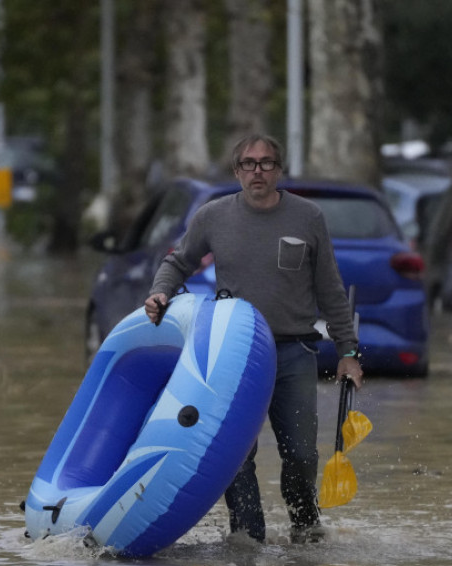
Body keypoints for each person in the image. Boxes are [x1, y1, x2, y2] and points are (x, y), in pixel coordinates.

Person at [144, 134, 363, 544]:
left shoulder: (308, 217)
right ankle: (247, 538)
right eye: (248, 163)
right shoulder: (213, 216)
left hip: (294, 350)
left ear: (279, 170)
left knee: (300, 454)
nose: (257, 171)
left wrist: (348, 352)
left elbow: (331, 289)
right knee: (236, 457)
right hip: (235, 355)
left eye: (265, 163)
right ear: (236, 171)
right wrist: (160, 291)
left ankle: (304, 529)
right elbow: (178, 262)